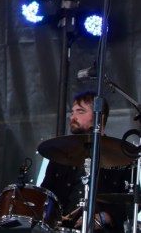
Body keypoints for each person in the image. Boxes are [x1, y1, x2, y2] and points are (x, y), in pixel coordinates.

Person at [41, 90, 128, 233]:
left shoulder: (120, 156)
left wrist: (104, 217)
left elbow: (131, 202)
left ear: (99, 118)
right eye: (72, 112)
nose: (73, 117)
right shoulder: (60, 154)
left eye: (80, 111)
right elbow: (46, 194)